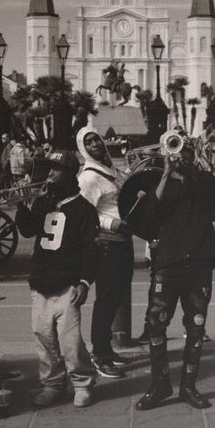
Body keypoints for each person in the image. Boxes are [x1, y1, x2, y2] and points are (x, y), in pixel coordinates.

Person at [123, 135, 215, 409]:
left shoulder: (201, 180)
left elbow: (213, 201)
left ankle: (188, 386)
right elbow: (150, 218)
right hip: (168, 262)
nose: (182, 155)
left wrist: (197, 164)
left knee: (196, 326)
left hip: (199, 262)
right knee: (157, 325)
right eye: (178, 149)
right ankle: (160, 384)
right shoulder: (159, 182)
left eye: (187, 150)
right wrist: (167, 174)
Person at [14, 151, 100, 408]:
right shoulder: (44, 203)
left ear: (71, 173)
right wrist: (23, 205)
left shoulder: (84, 209)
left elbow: (90, 250)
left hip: (67, 285)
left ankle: (82, 382)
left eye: (56, 169)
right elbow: (28, 229)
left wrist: (85, 282)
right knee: (44, 340)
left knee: (70, 342)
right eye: (50, 168)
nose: (50, 173)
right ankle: (52, 384)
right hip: (41, 283)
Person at [76, 125, 135, 379]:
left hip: (122, 241)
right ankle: (99, 354)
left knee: (116, 297)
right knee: (106, 301)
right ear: (83, 148)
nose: (95, 145)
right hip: (108, 243)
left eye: (96, 139)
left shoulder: (109, 170)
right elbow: (86, 213)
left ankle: (106, 349)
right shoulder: (89, 177)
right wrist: (113, 223)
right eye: (88, 142)